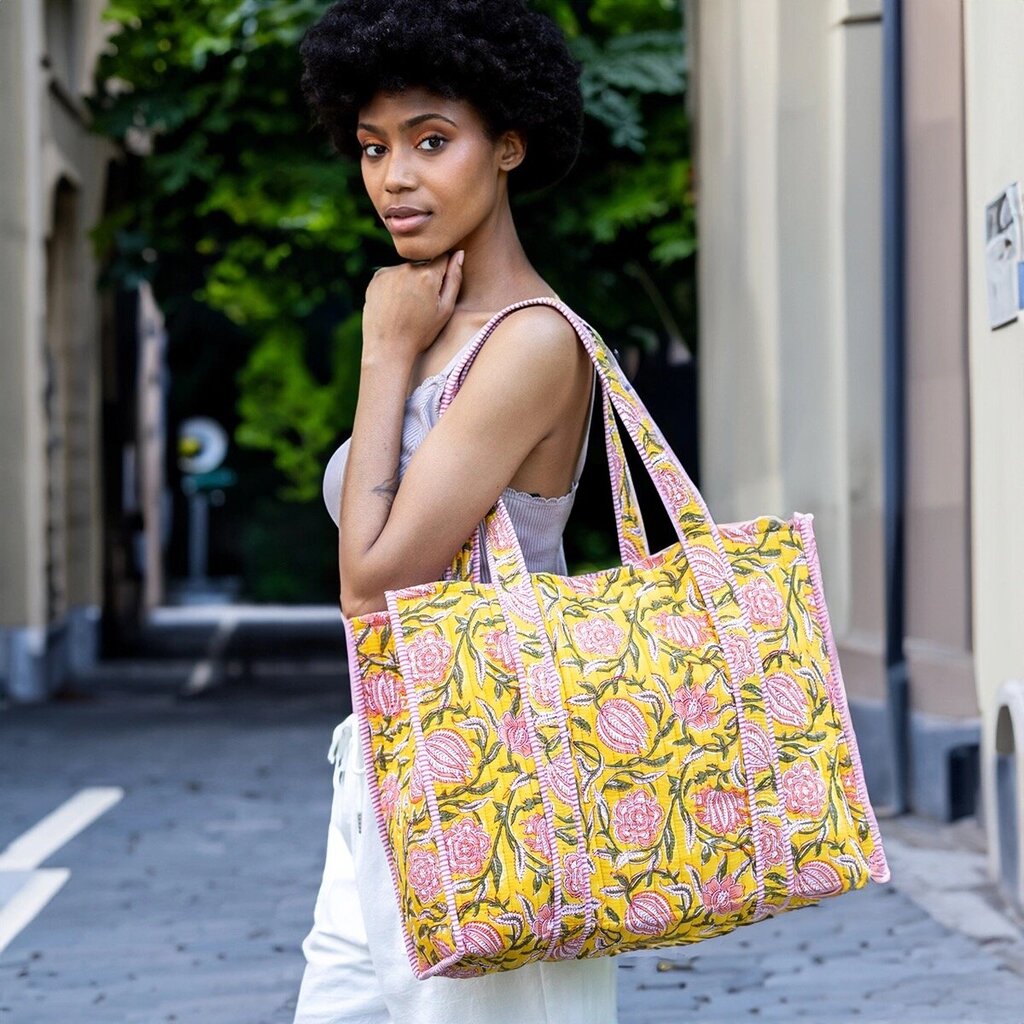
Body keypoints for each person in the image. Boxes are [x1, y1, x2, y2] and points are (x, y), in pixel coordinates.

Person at [292, 1, 617, 1021]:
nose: (394, 176)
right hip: (386, 761)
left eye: (431, 141)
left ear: (508, 145)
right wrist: (400, 343)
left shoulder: (531, 343)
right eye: (372, 146)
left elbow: (373, 590)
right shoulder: (424, 320)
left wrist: (383, 355)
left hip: (499, 772)